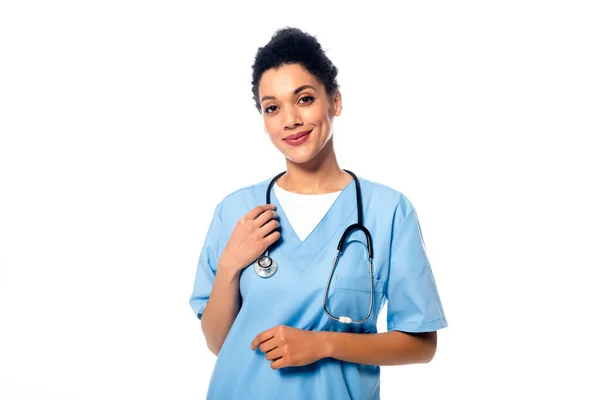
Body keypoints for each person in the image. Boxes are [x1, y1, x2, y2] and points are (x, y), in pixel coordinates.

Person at [189, 26, 448, 400]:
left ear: (335, 102)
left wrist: (324, 344)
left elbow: (422, 343)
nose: (289, 120)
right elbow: (218, 343)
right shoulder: (236, 211)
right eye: (272, 107)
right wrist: (230, 265)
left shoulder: (388, 212)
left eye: (304, 99)